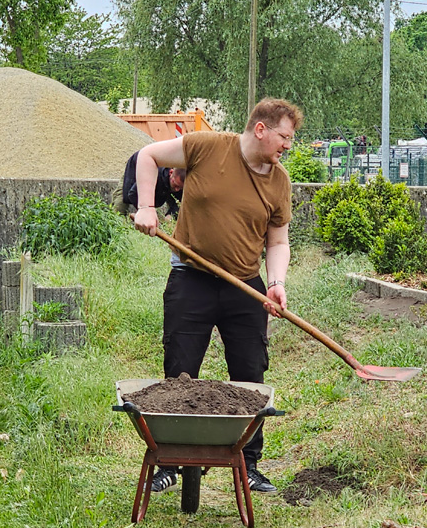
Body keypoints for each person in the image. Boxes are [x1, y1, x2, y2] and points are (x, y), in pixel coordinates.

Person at [132, 97, 303, 494]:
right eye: (284, 137)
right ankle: (169, 462)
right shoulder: (207, 146)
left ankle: (249, 463)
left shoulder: (279, 181)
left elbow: (278, 241)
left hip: (244, 285)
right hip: (190, 280)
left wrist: (276, 282)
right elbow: (147, 155)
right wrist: (146, 207)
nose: (288, 146)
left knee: (250, 375)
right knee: (179, 371)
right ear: (260, 129)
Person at [114, 150, 186, 220]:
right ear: (171, 172)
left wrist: (170, 216)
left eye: (180, 187)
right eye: (176, 185)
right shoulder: (154, 174)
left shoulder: (179, 182)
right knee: (120, 206)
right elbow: (133, 193)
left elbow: (179, 202)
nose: (177, 189)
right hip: (136, 169)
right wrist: (145, 211)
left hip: (164, 182)